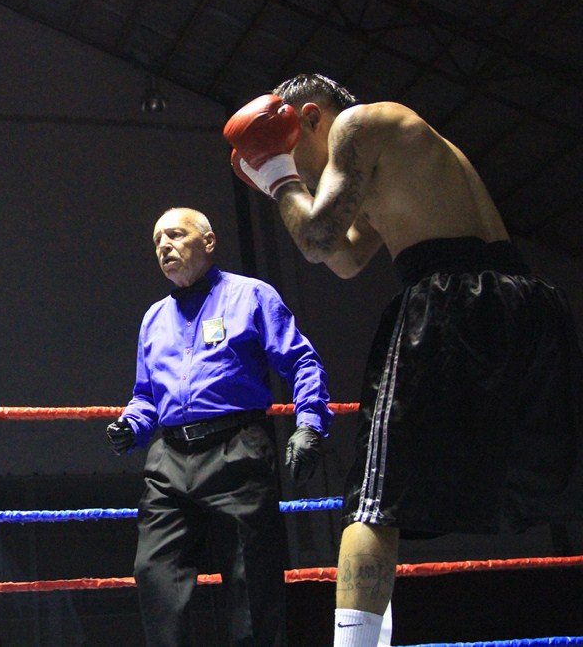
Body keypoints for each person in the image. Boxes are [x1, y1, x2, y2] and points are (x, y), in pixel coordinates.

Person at [223, 74, 583, 646]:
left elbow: (316, 240)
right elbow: (344, 259)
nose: (305, 177)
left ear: (311, 117)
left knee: (373, 498)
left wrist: (277, 175)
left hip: (451, 300)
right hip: (527, 305)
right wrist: (283, 181)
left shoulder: (358, 123)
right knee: (561, 470)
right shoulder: (399, 148)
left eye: (290, 147)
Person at [106, 207, 334, 646]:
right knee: (154, 576)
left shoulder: (251, 296)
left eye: (175, 235)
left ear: (208, 241)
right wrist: (132, 425)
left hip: (237, 449)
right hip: (169, 459)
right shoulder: (154, 318)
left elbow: (301, 361)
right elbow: (146, 396)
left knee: (253, 587)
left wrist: (309, 423)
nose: (164, 246)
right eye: (157, 241)